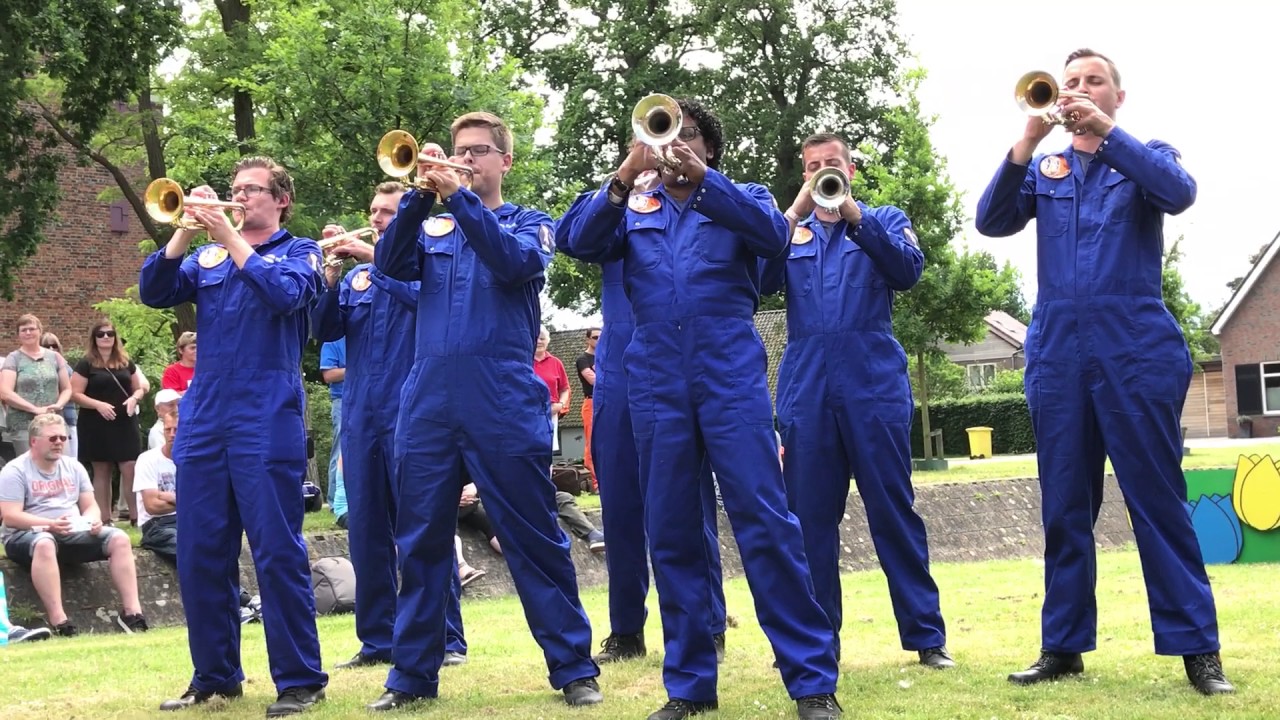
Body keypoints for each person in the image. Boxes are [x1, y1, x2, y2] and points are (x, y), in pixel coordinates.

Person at [559, 98, 840, 720]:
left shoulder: (744, 195)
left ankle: (812, 680)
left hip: (730, 375)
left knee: (766, 522)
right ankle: (689, 687)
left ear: (709, 148)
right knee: (674, 532)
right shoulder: (632, 203)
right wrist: (625, 171)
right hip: (656, 376)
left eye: (687, 137)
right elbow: (574, 241)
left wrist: (709, 183)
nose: (673, 145)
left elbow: (773, 241)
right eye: (663, 134)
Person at [974, 48, 1232, 695]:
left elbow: (1180, 192)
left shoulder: (1146, 156)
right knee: (1064, 507)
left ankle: (1197, 649)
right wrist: (1028, 138)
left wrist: (1110, 135)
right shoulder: (1048, 169)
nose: (1080, 91)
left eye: (1094, 82)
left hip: (1135, 351)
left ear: (1118, 96)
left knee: (1157, 503)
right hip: (1059, 354)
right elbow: (990, 219)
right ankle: (1063, 646)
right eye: (1071, 84)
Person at [366, 112, 601, 711]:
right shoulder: (432, 222)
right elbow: (389, 265)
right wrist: (420, 200)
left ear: (505, 161)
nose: (465, 159)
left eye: (478, 151)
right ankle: (412, 678)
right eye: (459, 151)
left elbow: (514, 264)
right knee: (419, 540)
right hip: (428, 399)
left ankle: (574, 669)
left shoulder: (530, 223)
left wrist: (458, 200)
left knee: (531, 536)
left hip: (500, 395)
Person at [139, 155, 328, 715]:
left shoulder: (302, 252)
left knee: (276, 551)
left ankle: (300, 680)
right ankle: (216, 675)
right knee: (200, 553)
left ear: (281, 199)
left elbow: (287, 296)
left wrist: (230, 237)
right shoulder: (207, 256)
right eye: (233, 189)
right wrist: (182, 234)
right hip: (204, 419)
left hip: (266, 415)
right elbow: (154, 289)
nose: (238, 197)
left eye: (252, 190)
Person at [760, 132, 953, 669]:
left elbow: (907, 271)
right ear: (804, 172)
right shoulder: (790, 232)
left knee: (894, 513)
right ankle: (816, 645)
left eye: (832, 164)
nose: (824, 171)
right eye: (814, 166)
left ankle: (927, 637)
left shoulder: (883, 219)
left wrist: (853, 216)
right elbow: (752, 279)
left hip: (873, 387)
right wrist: (793, 213)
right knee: (809, 522)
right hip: (807, 390)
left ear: (850, 169)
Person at [312, 178, 468, 671]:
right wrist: (329, 277)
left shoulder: (427, 263)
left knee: (422, 528)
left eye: (387, 212)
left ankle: (447, 639)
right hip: (361, 414)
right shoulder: (357, 278)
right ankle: (378, 640)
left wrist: (374, 257)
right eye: (374, 210)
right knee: (365, 530)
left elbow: (426, 305)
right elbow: (323, 332)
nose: (377, 218)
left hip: (411, 410)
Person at [0, 413, 148, 637]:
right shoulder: (15, 471)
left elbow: (91, 506)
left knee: (119, 538)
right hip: (26, 535)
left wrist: (92, 520)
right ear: (33, 441)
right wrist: (49, 524)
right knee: (45, 543)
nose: (59, 442)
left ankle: (132, 613)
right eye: (53, 438)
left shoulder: (74, 467)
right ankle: (60, 621)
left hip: (72, 531)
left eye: (64, 437)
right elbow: (11, 516)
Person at [574, 328, 599, 489]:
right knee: (592, 442)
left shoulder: (608, 356)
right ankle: (595, 483)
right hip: (591, 402)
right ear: (588, 340)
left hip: (608, 403)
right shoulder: (583, 359)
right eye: (596, 337)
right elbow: (593, 380)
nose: (599, 340)